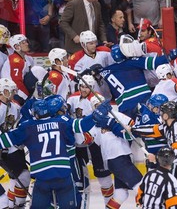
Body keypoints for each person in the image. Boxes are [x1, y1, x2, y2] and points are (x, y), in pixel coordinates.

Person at [0, 99, 98, 208]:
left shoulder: (28, 127)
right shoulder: (63, 122)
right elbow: (81, 129)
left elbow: (6, 140)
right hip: (64, 173)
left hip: (43, 178)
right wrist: (96, 115)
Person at [132, 101, 177, 209]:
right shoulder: (168, 126)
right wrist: (133, 129)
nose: (160, 115)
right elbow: (153, 130)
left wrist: (156, 158)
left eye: (162, 113)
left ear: (166, 115)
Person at [99, 36, 177, 119]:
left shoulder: (105, 71)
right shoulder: (132, 62)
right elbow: (157, 62)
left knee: (131, 130)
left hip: (124, 108)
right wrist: (172, 55)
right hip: (142, 100)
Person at [88, 95, 143, 209]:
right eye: (97, 106)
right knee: (142, 187)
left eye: (101, 104)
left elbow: (133, 128)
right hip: (116, 159)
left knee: (121, 193)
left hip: (122, 158)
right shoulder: (94, 125)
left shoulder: (117, 116)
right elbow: (90, 139)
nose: (100, 107)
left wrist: (123, 127)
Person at [67, 75, 114, 206]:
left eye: (87, 87)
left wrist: (99, 106)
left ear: (92, 87)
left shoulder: (95, 97)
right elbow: (65, 110)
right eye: (82, 86)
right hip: (79, 141)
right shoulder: (73, 98)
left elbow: (99, 106)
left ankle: (109, 204)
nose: (84, 89)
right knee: (80, 178)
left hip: (95, 141)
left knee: (103, 176)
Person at [0, 78, 30, 208]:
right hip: (2, 149)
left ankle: (14, 204)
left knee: (22, 177)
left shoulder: (15, 107)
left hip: (11, 148)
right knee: (22, 176)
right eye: (10, 91)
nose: (13, 93)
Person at [1, 34, 34, 106]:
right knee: (37, 71)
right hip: (13, 92)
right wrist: (27, 98)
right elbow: (17, 82)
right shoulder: (15, 60)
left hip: (19, 90)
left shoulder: (28, 58)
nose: (27, 44)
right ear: (16, 46)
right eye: (23, 42)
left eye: (26, 41)